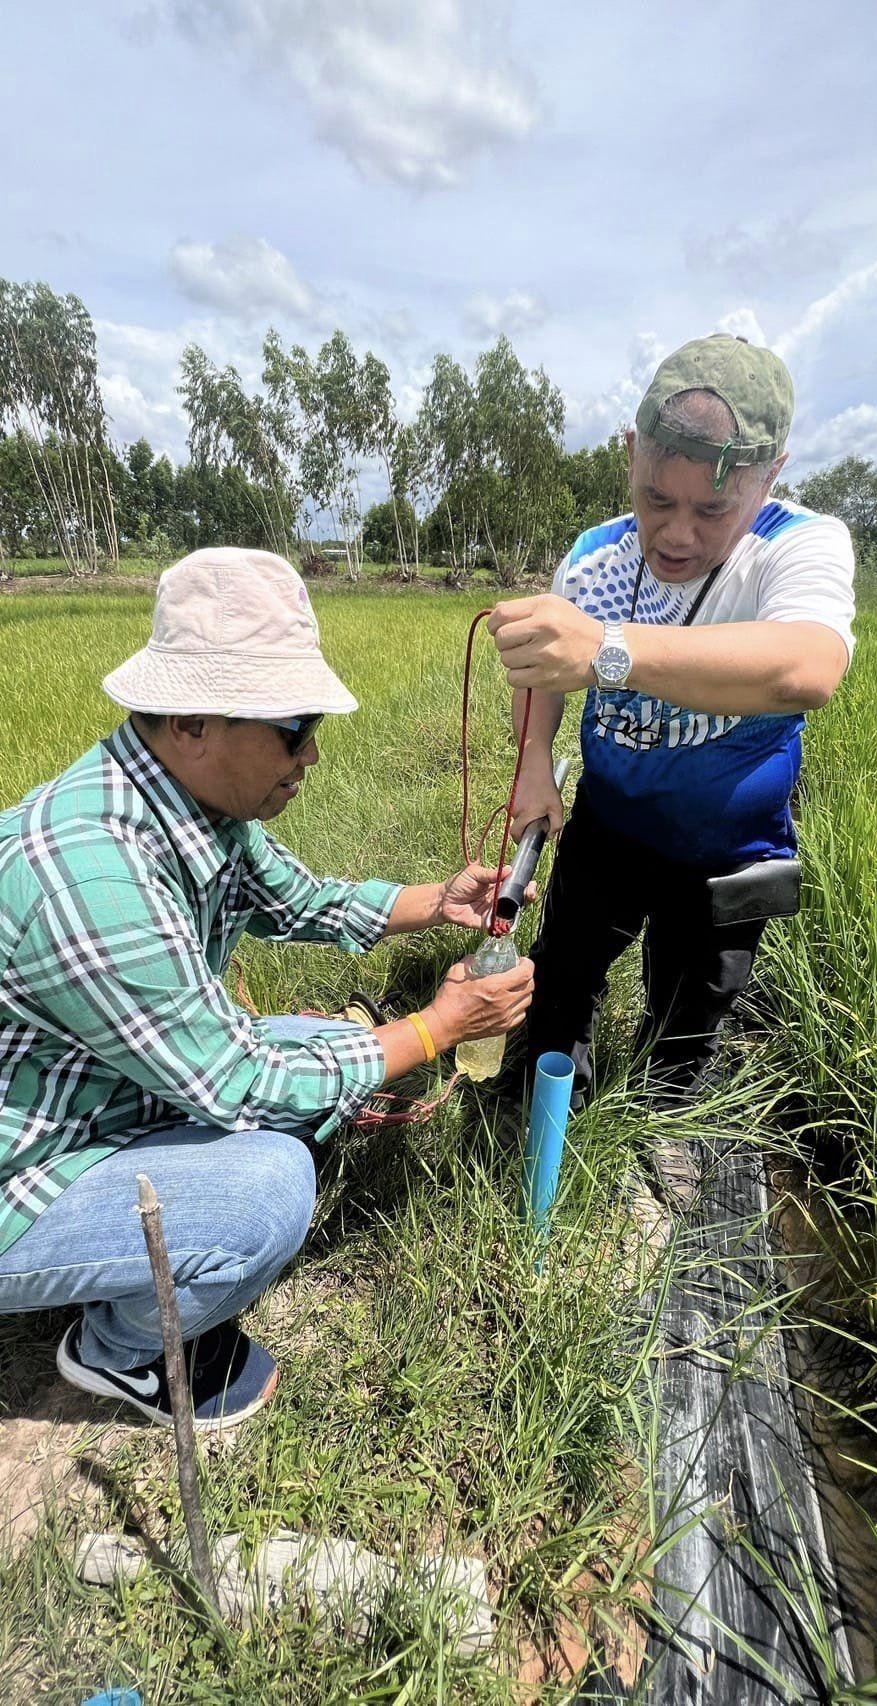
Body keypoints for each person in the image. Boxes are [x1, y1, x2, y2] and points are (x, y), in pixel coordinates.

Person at [0, 548, 534, 1429]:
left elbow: (305, 900)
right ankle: (119, 1349)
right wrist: (436, 1029)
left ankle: (144, 1273)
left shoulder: (195, 806)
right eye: (294, 726)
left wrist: (439, 903)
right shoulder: (92, 875)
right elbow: (238, 1081)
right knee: (268, 1188)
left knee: (314, 1047)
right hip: (27, 1174)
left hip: (103, 1105)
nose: (312, 753)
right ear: (192, 720)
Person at [487, 333, 855, 1110]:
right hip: (609, 828)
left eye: (713, 508)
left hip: (729, 850)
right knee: (564, 977)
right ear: (631, 454)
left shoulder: (797, 548)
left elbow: (807, 667)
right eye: (657, 498)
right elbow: (544, 670)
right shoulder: (593, 560)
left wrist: (608, 652)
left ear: (771, 475)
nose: (678, 533)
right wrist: (531, 765)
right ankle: (544, 1113)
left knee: (693, 1010)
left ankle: (662, 1134)